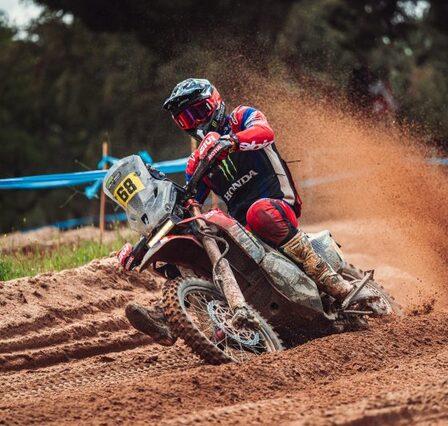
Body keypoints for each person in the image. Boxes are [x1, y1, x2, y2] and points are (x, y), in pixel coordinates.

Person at [118, 78, 379, 345]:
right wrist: (143, 243)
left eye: (198, 112)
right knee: (191, 237)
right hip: (242, 227)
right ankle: (171, 317)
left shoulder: (242, 117)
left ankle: (337, 285)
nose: (195, 123)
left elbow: (265, 132)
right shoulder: (197, 161)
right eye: (185, 119)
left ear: (215, 103)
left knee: (259, 212)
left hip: (277, 202)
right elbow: (188, 202)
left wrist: (231, 141)